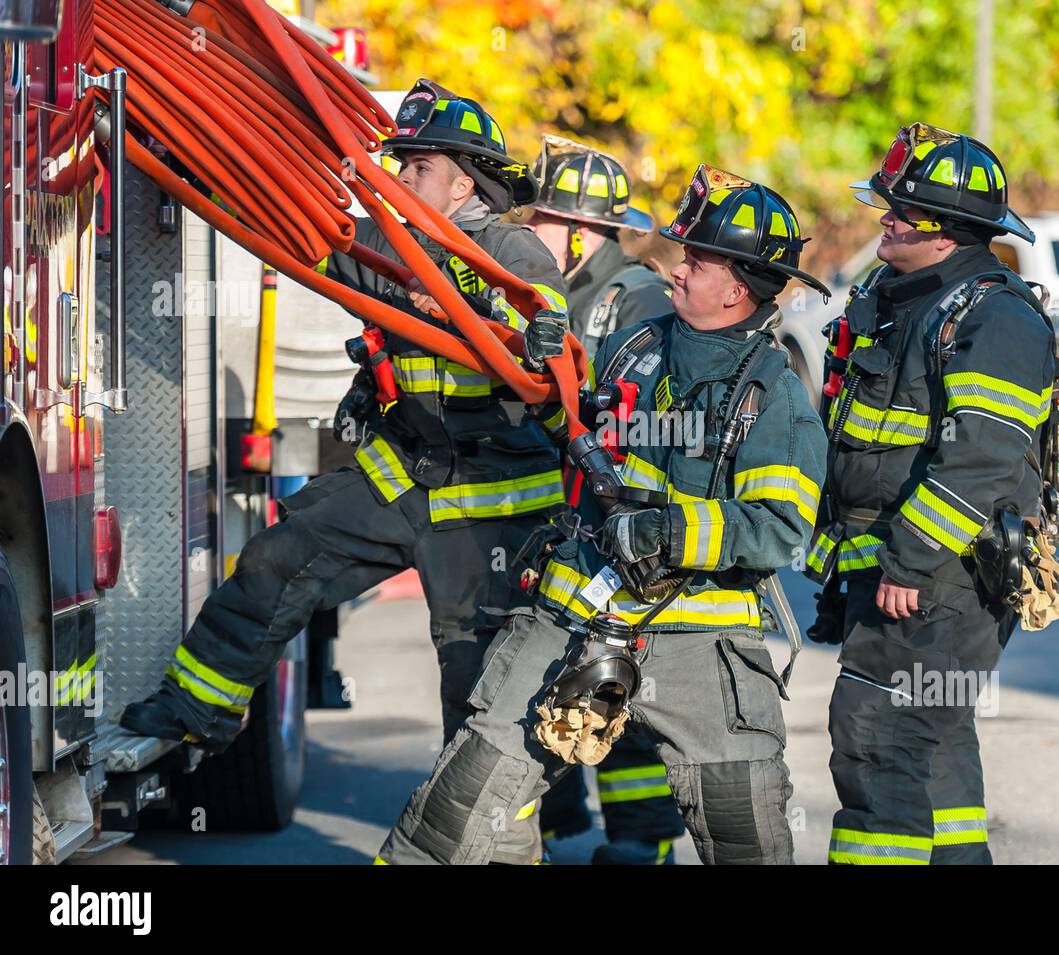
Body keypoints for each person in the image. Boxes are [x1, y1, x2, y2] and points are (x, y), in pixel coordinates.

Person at [120, 84, 568, 867]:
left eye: (417, 165)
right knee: (276, 557)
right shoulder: (388, 244)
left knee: (477, 701)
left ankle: (501, 853)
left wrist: (530, 337)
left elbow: (538, 347)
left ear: (465, 182)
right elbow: (300, 235)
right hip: (406, 471)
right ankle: (198, 709)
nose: (399, 176)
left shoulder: (510, 252)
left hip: (490, 504)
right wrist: (200, 164)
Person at [375, 164, 829, 865]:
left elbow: (776, 526)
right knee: (458, 807)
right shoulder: (638, 344)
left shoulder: (773, 396)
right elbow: (576, 425)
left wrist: (666, 533)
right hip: (571, 617)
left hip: (697, 640)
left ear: (738, 288)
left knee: (746, 833)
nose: (677, 271)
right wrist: (535, 367)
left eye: (695, 261)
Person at [806, 123, 1054, 865]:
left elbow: (980, 460)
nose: (884, 219)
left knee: (878, 741)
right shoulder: (893, 295)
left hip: (944, 578)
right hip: (888, 571)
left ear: (946, 233)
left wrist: (909, 563)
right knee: (933, 744)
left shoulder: (996, 317)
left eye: (900, 211)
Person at [522, 136, 682, 864]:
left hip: (614, 532)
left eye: (544, 222)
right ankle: (555, 826)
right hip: (561, 521)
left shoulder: (634, 295)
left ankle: (641, 842)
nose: (531, 234)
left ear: (581, 231)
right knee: (550, 683)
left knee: (618, 689)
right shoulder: (563, 290)